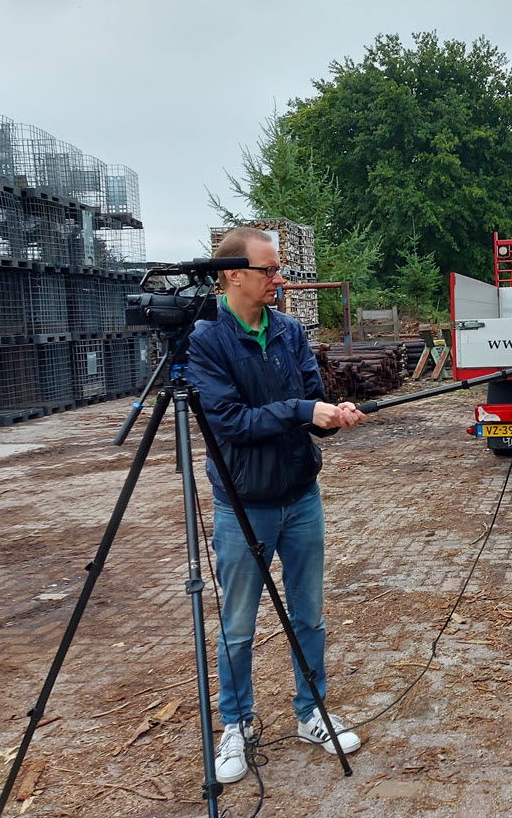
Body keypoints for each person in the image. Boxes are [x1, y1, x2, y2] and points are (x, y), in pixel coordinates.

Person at [186, 226, 367, 785]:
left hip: (300, 498)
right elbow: (231, 424)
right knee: (238, 625)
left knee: (308, 616)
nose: (279, 279)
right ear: (232, 274)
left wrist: (332, 416)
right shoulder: (203, 340)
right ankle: (235, 724)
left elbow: (310, 404)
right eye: (270, 270)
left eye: (280, 268)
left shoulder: (288, 331)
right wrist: (302, 410)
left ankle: (312, 712)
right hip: (243, 507)